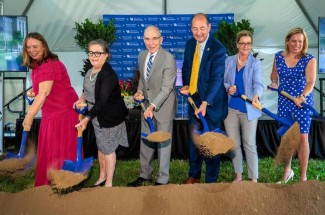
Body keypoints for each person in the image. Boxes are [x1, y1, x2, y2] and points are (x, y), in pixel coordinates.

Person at [22, 32, 79, 186]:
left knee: (58, 152)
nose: (32, 50)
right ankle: (47, 186)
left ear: (44, 46)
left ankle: (62, 185)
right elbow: (44, 89)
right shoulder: (37, 64)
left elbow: (44, 93)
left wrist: (29, 116)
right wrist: (35, 90)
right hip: (51, 113)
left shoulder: (48, 64)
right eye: (28, 47)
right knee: (49, 151)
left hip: (63, 113)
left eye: (35, 46)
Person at [180, 13, 228, 184]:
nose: (198, 32)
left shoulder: (218, 49)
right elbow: (186, 68)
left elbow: (216, 78)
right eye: (194, 28)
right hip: (194, 102)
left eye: (202, 28)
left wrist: (206, 102)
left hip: (211, 104)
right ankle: (194, 175)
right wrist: (186, 85)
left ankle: (211, 181)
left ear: (209, 27)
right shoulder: (189, 44)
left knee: (210, 144)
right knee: (195, 140)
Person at [74, 39, 129, 187]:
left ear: (106, 55)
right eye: (91, 52)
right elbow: (86, 90)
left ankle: (109, 183)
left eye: (98, 53)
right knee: (101, 147)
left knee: (108, 149)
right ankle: (102, 176)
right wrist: (81, 99)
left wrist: (86, 118)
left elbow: (101, 102)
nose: (94, 56)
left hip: (109, 117)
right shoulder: (90, 71)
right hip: (96, 116)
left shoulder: (108, 75)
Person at [128, 25, 176, 186]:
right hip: (146, 106)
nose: (151, 42)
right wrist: (139, 91)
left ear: (161, 39)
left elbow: (167, 87)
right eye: (147, 39)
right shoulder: (142, 56)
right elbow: (143, 79)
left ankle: (162, 179)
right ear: (143, 40)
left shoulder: (168, 58)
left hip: (163, 107)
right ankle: (145, 175)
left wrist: (152, 106)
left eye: (154, 38)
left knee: (163, 143)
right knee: (146, 141)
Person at [270, 27, 316, 183]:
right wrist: (274, 83)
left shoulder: (309, 59)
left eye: (300, 42)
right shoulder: (278, 57)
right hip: (284, 102)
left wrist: (302, 96)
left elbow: (310, 82)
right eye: (294, 41)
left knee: (303, 138)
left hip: (302, 103)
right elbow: (274, 75)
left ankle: (303, 178)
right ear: (287, 42)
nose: (297, 44)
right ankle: (287, 171)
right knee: (288, 138)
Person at [224, 30, 264, 183]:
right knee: (234, 144)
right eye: (242, 43)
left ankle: (254, 179)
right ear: (237, 44)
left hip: (249, 109)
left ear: (251, 45)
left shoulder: (255, 64)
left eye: (248, 43)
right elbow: (225, 81)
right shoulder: (229, 61)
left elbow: (258, 84)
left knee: (249, 144)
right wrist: (229, 88)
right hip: (230, 110)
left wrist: (256, 95)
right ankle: (238, 176)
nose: (245, 46)